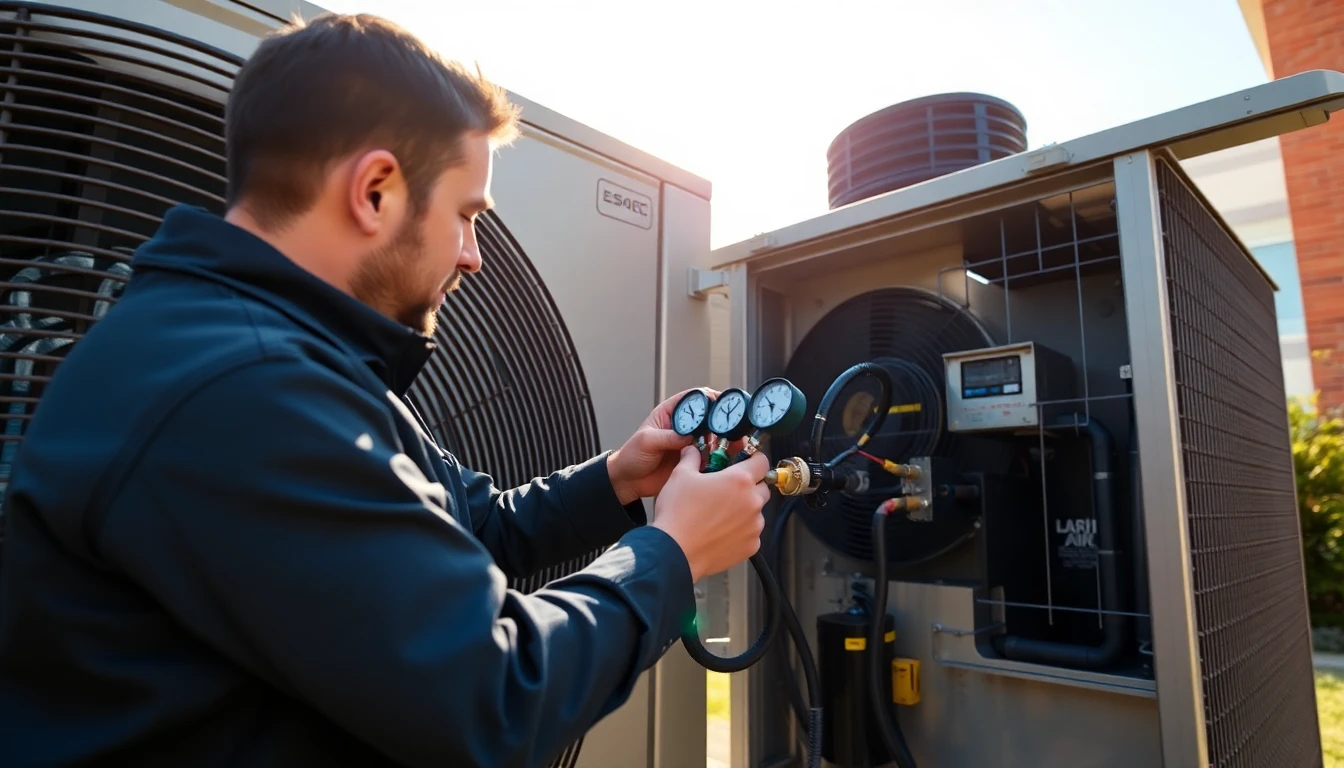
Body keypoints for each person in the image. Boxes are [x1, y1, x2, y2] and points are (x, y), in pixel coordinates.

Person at [0, 12, 771, 768]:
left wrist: (617, 479)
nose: (472, 256)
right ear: (374, 190)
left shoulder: (269, 351)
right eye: (466, 216)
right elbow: (491, 697)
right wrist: (673, 553)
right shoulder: (245, 387)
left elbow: (469, 527)